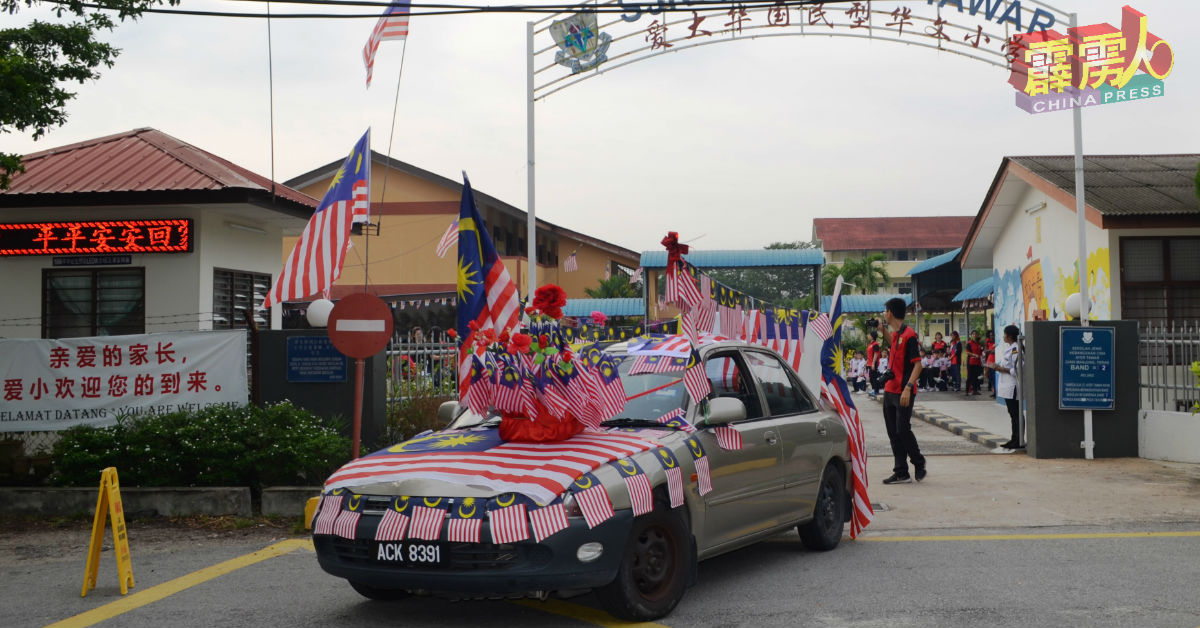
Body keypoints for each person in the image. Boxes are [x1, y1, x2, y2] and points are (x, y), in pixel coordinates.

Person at [876, 298, 926, 484]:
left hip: (903, 391)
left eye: (885, 311)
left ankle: (919, 462)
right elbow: (894, 345)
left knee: (903, 429)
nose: (884, 315)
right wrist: (883, 331)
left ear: (890, 312)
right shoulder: (897, 334)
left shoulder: (909, 335)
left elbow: (918, 365)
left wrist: (908, 387)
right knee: (893, 433)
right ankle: (901, 472)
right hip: (890, 389)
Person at [988, 325, 1024, 449]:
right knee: (1012, 413)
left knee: (1015, 414)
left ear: (1009, 336)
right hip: (1007, 386)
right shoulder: (1010, 349)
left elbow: (1019, 368)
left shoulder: (1015, 349)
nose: (1003, 337)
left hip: (1012, 386)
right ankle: (1014, 438)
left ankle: (1018, 440)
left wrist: (1001, 369)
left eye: (1004, 334)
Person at [965, 330, 984, 396]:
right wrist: (974, 355)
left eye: (976, 334)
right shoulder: (969, 343)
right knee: (970, 376)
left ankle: (975, 390)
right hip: (971, 362)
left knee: (976, 377)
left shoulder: (979, 344)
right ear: (971, 335)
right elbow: (967, 352)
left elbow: (981, 352)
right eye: (973, 334)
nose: (974, 335)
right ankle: (967, 391)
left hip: (977, 362)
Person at [866, 331, 882, 397]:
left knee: (874, 377)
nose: (868, 336)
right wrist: (867, 362)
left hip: (873, 363)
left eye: (869, 335)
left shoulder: (875, 344)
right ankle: (873, 390)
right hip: (869, 363)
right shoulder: (870, 344)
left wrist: (873, 363)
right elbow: (869, 354)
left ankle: (876, 390)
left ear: (872, 336)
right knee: (871, 377)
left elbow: (876, 354)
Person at [984, 330, 997, 397]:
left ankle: (996, 392)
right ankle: (994, 391)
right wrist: (990, 350)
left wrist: (991, 351)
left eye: (993, 335)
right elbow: (986, 351)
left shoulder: (997, 342)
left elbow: (995, 351)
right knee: (991, 377)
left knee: (994, 378)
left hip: (994, 362)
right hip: (989, 361)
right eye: (991, 335)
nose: (992, 336)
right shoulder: (988, 342)